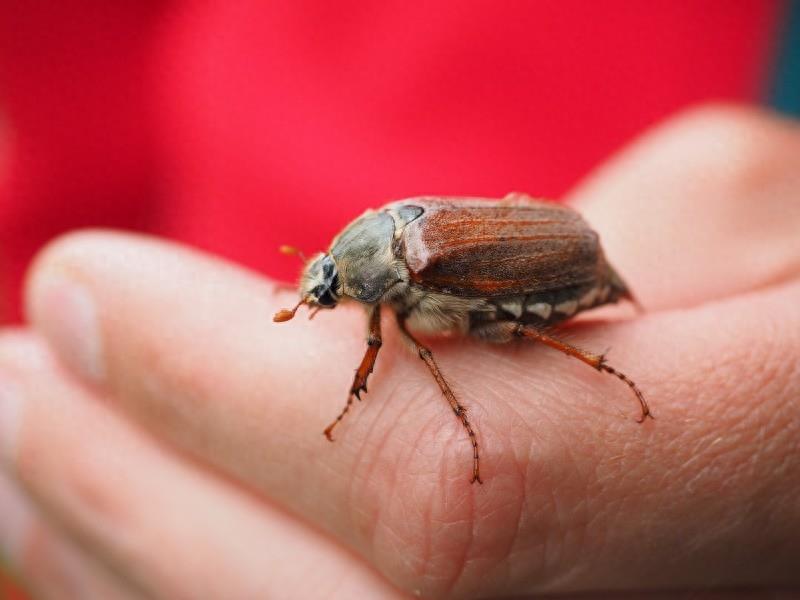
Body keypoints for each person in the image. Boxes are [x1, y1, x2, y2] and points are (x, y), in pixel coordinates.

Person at [1, 4, 798, 599]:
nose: (330, 294)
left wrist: (453, 427)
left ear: (369, 278)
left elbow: (390, 351)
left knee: (508, 331)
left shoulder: (408, 282)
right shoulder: (380, 239)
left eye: (332, 285)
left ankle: (599, 364)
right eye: (325, 284)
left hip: (564, 267)